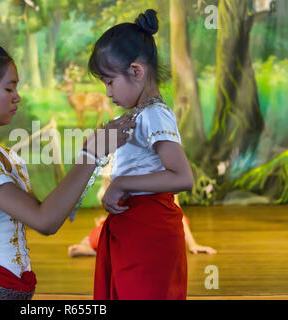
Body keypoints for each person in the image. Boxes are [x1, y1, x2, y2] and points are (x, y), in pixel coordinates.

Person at [0, 41, 135, 300]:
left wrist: (95, 156)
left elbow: (53, 211)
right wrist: (91, 153)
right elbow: (44, 220)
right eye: (8, 88)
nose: (17, 97)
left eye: (16, 87)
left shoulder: (4, 155)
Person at [88, 9, 194, 300]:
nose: (108, 93)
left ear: (136, 71)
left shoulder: (155, 115)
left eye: (109, 81)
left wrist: (121, 184)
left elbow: (183, 177)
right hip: (135, 229)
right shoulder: (141, 114)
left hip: (150, 232)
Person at [68, 196, 217, 258]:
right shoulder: (119, 161)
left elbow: (176, 212)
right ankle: (93, 246)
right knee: (104, 231)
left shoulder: (168, 164)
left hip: (154, 224)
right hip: (130, 222)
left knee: (179, 221)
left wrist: (192, 243)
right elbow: (115, 206)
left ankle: (107, 249)